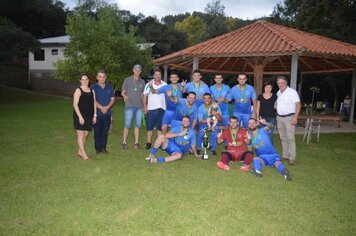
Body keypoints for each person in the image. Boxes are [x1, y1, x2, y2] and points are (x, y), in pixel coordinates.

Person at [276, 76, 301, 165]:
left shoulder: (292, 92)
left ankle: (292, 158)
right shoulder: (278, 93)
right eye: (279, 83)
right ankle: (285, 155)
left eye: (282, 83)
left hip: (289, 117)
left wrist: (295, 117)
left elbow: (298, 105)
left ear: (286, 83)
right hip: (279, 118)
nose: (280, 84)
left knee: (290, 138)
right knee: (282, 137)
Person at [121, 64, 146, 150]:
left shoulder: (142, 82)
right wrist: (125, 96)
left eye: (139, 70)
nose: (137, 71)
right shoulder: (127, 80)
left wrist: (143, 106)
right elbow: (123, 92)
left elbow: (143, 95)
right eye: (136, 70)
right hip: (129, 106)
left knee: (137, 125)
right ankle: (124, 142)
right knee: (127, 125)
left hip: (139, 107)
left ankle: (136, 142)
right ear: (133, 70)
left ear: (141, 71)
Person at [73, 73, 97, 160]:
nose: (85, 81)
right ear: (80, 81)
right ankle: (84, 154)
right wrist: (80, 116)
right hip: (79, 115)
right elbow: (75, 105)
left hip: (89, 116)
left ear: (88, 80)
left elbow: (94, 103)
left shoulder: (92, 91)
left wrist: (95, 115)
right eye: (83, 79)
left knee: (86, 135)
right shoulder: (78, 90)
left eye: (86, 79)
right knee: (81, 135)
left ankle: (80, 151)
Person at [153, 71, 186, 135]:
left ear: (178, 78)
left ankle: (175, 141)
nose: (174, 79)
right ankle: (163, 141)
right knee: (164, 126)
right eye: (172, 77)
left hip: (178, 110)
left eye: (175, 77)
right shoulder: (166, 87)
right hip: (169, 110)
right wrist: (150, 84)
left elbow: (183, 90)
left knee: (176, 128)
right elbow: (154, 91)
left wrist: (183, 86)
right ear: (170, 79)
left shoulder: (181, 85)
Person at [91, 70, 115, 154]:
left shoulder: (109, 87)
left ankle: (103, 148)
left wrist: (107, 107)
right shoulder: (93, 87)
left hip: (107, 114)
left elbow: (112, 99)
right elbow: (92, 100)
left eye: (103, 76)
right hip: (97, 114)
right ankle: (97, 149)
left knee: (105, 132)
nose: (102, 78)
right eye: (100, 76)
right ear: (97, 77)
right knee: (97, 132)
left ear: (105, 77)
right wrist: (101, 107)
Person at [143, 69, 167, 149]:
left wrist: (166, 108)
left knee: (160, 127)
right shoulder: (148, 84)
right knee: (150, 127)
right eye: (156, 74)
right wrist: (145, 107)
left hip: (162, 108)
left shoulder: (165, 85)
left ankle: (159, 142)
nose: (158, 76)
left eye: (159, 75)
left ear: (161, 76)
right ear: (153, 76)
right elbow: (144, 96)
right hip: (151, 108)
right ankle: (149, 142)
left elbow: (166, 97)